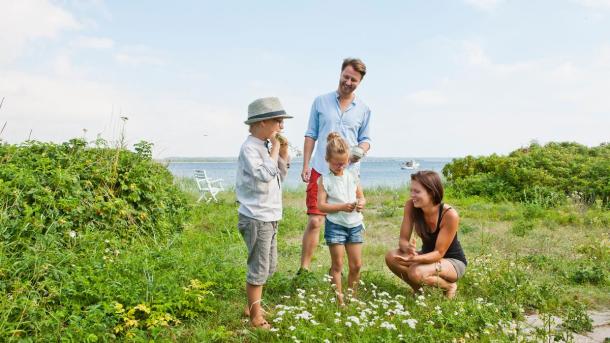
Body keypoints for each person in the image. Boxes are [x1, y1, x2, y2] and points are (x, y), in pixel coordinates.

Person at [299, 58, 372, 273]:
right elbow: (311, 134)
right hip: (321, 170)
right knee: (315, 221)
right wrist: (305, 164)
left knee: (345, 220)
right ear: (340, 74)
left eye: (354, 80)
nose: (348, 82)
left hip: (349, 174)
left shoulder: (364, 109)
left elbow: (366, 139)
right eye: (346, 77)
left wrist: (361, 150)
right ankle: (304, 270)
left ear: (359, 82)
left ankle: (340, 268)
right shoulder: (320, 101)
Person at [236, 97, 292, 329]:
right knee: (258, 268)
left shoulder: (265, 147)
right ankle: (255, 317)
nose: (282, 126)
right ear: (261, 123)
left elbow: (280, 174)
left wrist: (283, 152)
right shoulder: (250, 148)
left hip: (270, 215)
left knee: (269, 266)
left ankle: (253, 304)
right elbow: (264, 174)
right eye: (278, 121)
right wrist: (276, 147)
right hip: (256, 216)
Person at [384, 171, 467, 298]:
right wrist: (408, 249)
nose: (412, 195)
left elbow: (439, 253)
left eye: (417, 192)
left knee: (415, 272)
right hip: (426, 256)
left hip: (452, 261)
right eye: (411, 190)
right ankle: (418, 291)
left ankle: (449, 286)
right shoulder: (411, 206)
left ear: (432, 193)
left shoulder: (449, 215)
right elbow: (403, 240)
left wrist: (414, 259)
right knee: (391, 256)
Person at [317, 132, 366, 305]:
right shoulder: (325, 180)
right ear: (327, 159)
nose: (341, 166)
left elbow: (362, 197)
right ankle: (339, 300)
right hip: (336, 225)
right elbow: (321, 206)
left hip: (354, 224)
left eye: (344, 163)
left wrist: (360, 203)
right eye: (337, 163)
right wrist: (341, 207)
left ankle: (352, 296)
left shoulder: (352, 176)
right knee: (337, 265)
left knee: (356, 265)